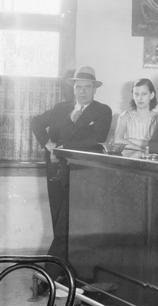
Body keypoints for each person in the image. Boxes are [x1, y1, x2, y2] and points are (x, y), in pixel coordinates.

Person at [31, 65, 112, 283]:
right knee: (59, 220)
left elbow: (95, 140)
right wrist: (47, 144)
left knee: (66, 223)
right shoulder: (60, 108)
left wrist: (61, 147)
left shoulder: (103, 111)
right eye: (79, 87)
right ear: (73, 88)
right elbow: (36, 121)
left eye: (87, 87)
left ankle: (48, 273)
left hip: (82, 174)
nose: (82, 91)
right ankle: (64, 274)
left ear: (94, 90)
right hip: (56, 170)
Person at [113, 78, 158, 157]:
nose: (140, 98)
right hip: (126, 160)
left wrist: (129, 141)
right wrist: (139, 148)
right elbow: (117, 140)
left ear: (152, 95)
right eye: (136, 94)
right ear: (133, 95)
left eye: (144, 94)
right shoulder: (125, 116)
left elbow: (157, 145)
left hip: (148, 159)